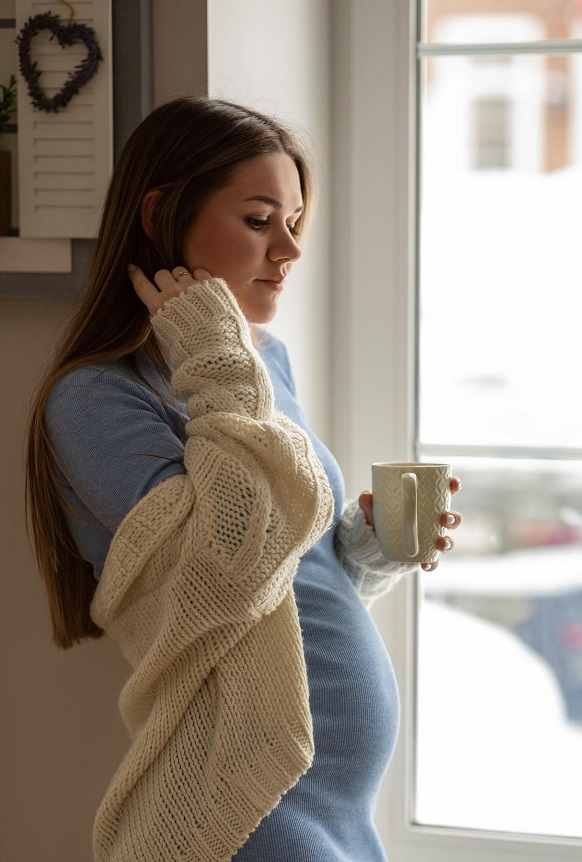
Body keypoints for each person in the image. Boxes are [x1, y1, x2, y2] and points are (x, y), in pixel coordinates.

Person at [25, 96, 461, 862]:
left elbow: (280, 570)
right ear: (161, 217)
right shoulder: (96, 399)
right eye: (260, 221)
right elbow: (219, 572)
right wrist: (217, 357)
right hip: (243, 806)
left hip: (342, 810)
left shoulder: (261, 365)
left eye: (295, 222)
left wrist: (362, 546)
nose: (289, 251)